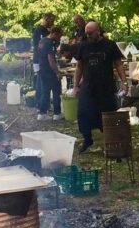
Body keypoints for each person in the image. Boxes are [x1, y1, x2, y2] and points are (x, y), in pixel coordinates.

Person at [74, 21, 125, 152]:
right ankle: (87, 139)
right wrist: (75, 86)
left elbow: (118, 64)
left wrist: (124, 83)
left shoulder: (110, 45)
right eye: (86, 33)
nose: (88, 36)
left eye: (90, 33)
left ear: (98, 31)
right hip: (88, 86)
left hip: (105, 86)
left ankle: (110, 142)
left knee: (107, 114)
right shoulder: (83, 46)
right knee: (83, 113)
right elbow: (79, 67)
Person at [37, 26, 64, 120]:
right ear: (55, 33)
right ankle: (57, 113)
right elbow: (51, 59)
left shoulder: (42, 41)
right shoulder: (50, 43)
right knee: (56, 92)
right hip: (49, 71)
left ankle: (42, 113)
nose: (59, 38)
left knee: (45, 92)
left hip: (42, 69)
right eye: (59, 36)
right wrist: (57, 72)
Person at [31, 13, 56, 112]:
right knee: (40, 82)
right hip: (38, 60)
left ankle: (44, 103)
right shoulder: (38, 31)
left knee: (43, 82)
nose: (52, 23)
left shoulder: (47, 31)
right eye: (51, 21)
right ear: (46, 19)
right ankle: (39, 103)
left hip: (45, 59)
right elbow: (38, 46)